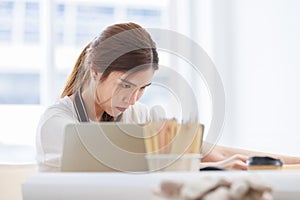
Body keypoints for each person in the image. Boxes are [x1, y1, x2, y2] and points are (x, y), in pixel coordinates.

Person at [36, 22, 300, 172]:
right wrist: (208, 171)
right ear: (95, 71)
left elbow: (210, 151)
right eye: (125, 85)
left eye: (143, 88)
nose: (133, 99)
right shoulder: (57, 123)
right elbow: (120, 173)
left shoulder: (136, 116)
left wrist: (291, 161)